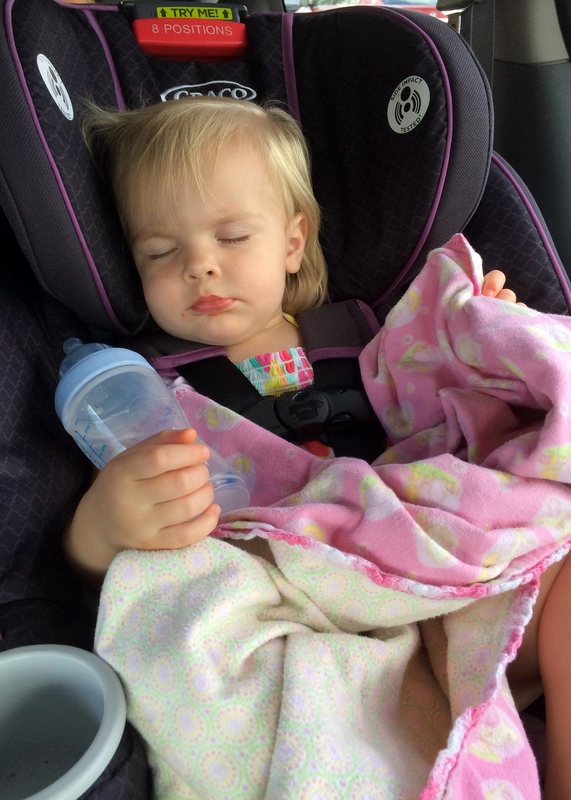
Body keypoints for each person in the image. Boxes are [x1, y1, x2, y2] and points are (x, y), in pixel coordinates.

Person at [67, 96, 569, 796]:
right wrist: (98, 533)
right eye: (160, 251)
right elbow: (127, 583)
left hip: (435, 583)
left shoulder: (372, 336)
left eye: (232, 237)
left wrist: (485, 341)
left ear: (292, 242)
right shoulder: (136, 390)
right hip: (279, 598)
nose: (199, 265)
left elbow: (457, 418)